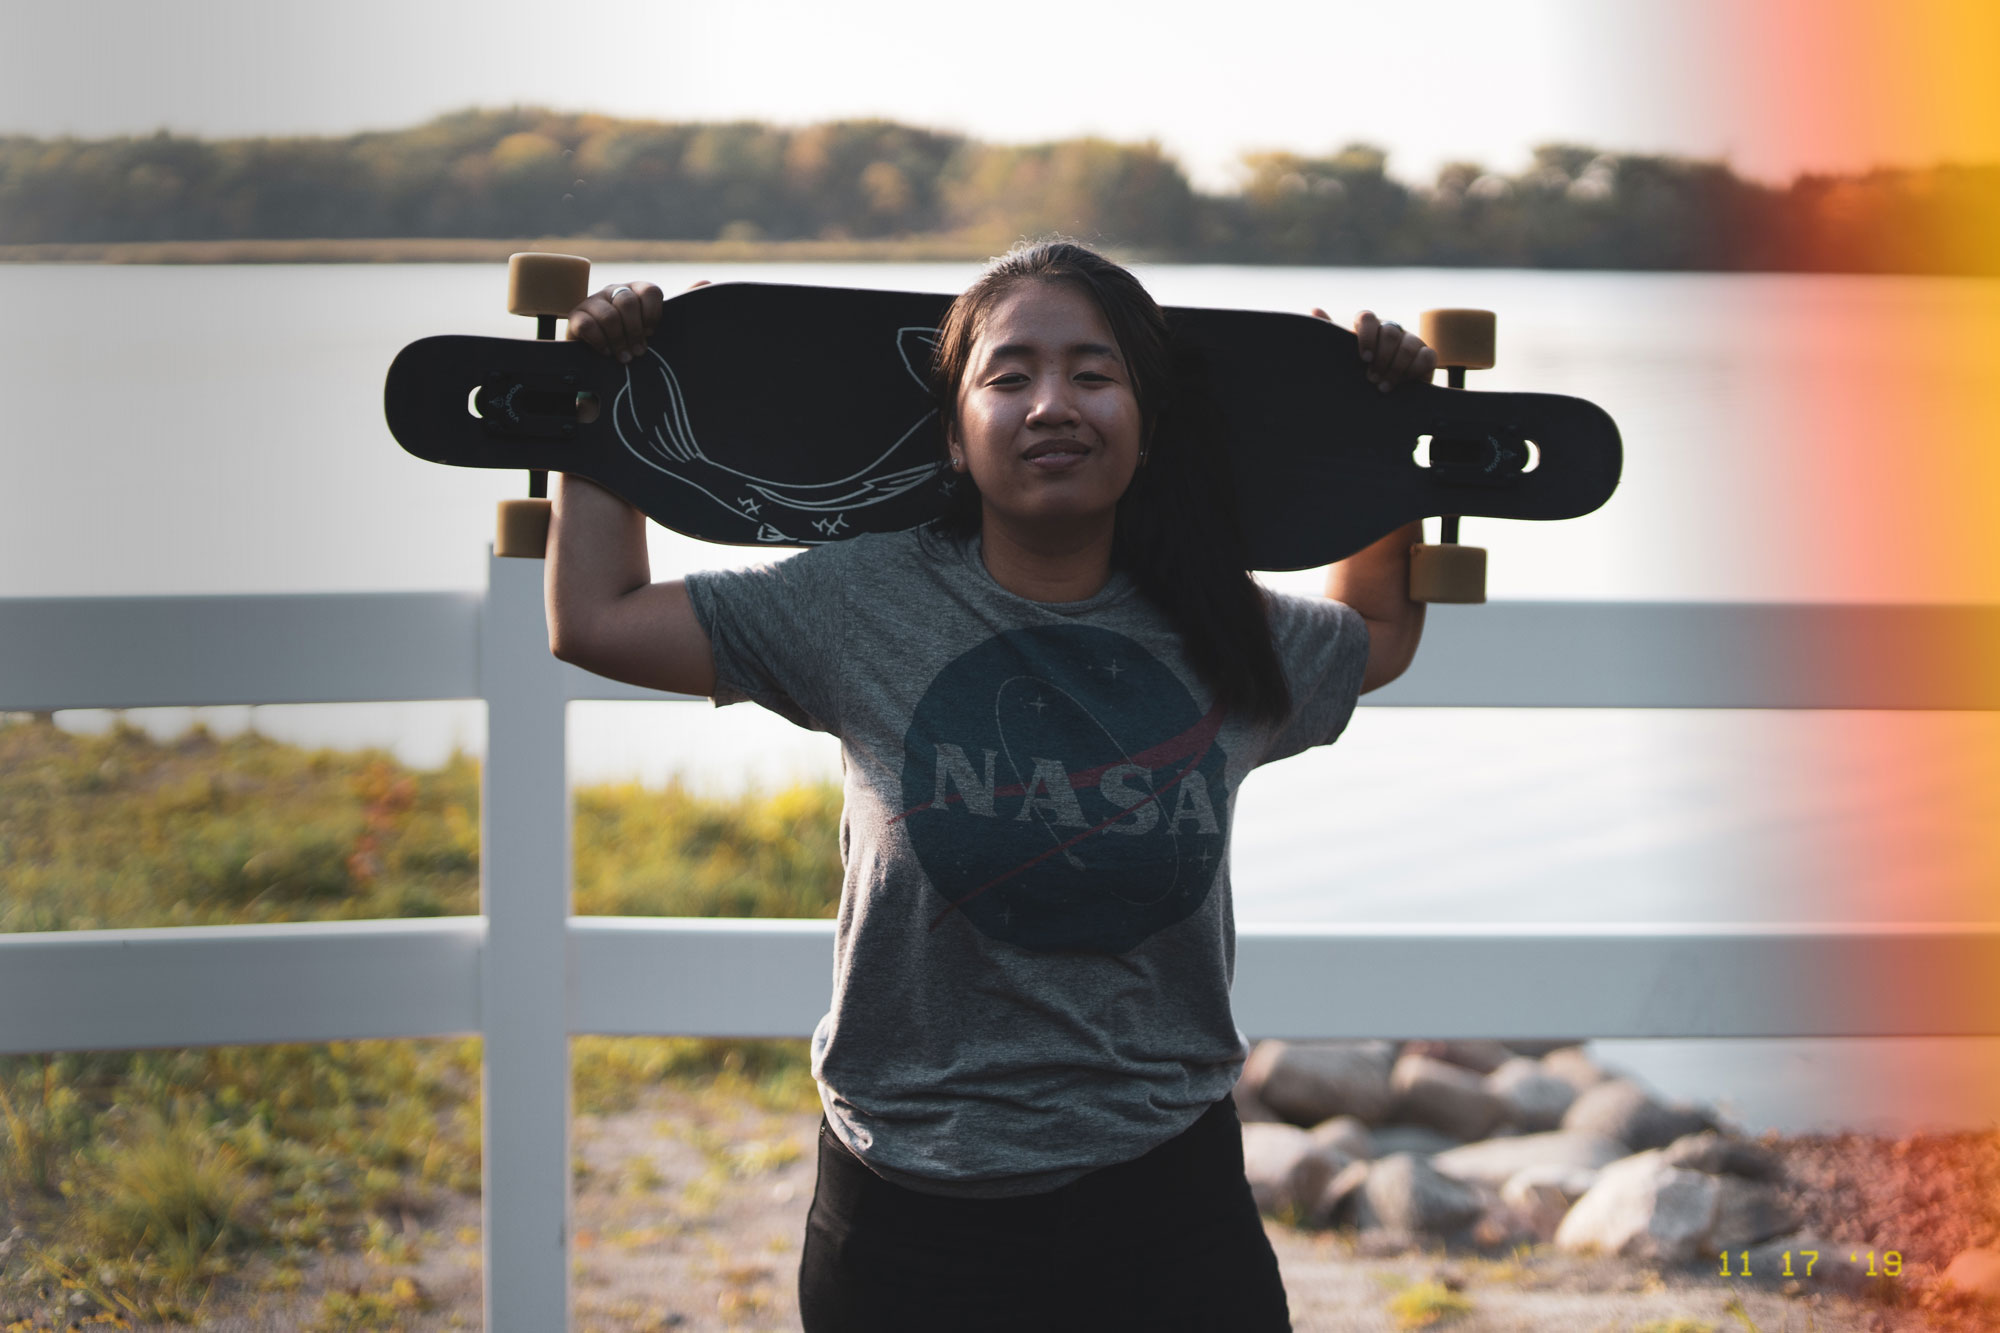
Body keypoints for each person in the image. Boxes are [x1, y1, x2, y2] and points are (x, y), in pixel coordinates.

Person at [547, 241, 1435, 1332]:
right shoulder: (859, 603)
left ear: (1145, 425)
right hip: (909, 1208)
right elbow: (594, 619)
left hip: (1164, 1197)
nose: (1051, 404)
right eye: (1007, 376)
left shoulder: (1222, 629)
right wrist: (594, 408)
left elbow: (1375, 634)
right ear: (955, 438)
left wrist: (1389, 427)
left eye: (1093, 374)